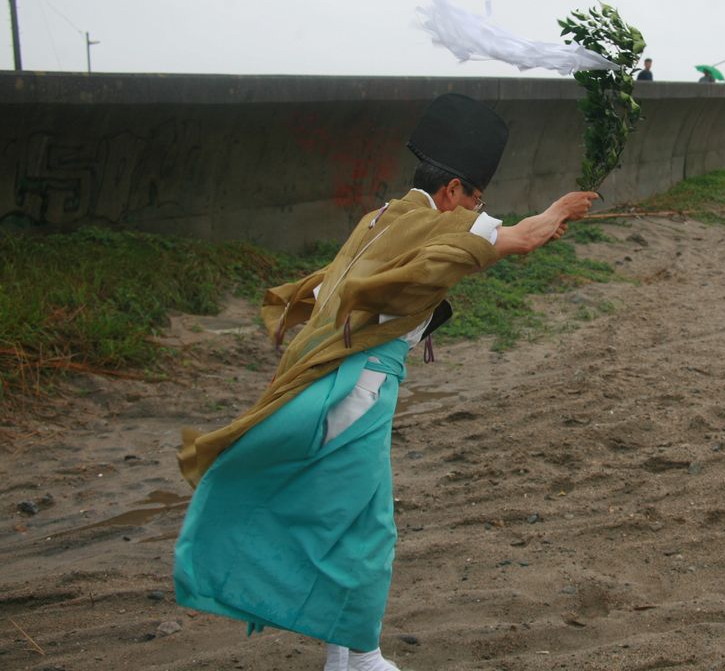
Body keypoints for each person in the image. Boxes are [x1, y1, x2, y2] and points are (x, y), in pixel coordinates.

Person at [173, 93, 597, 671]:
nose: (478, 209)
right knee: (363, 527)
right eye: (475, 197)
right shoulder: (435, 224)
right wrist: (559, 209)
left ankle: (352, 655)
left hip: (341, 379)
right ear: (452, 191)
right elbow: (520, 237)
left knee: (352, 520)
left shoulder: (379, 219)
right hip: (359, 389)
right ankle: (358, 657)